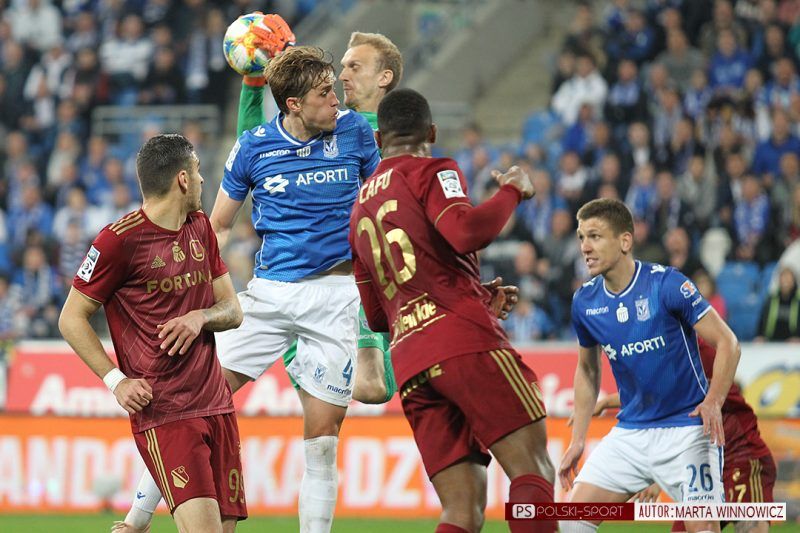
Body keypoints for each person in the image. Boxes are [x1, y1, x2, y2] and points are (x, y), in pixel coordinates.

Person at [350, 88, 555, 533]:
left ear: (379, 139)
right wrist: (511, 192)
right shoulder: (434, 169)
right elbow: (464, 233)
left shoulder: (359, 209)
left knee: (461, 511)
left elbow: (378, 317)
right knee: (533, 469)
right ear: (432, 132)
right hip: (463, 340)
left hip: (410, 362)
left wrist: (473, 291)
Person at [58, 134, 246, 533]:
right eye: (197, 171)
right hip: (165, 411)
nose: (202, 180)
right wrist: (116, 381)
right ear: (182, 179)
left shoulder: (200, 228)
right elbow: (71, 318)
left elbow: (233, 310)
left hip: (217, 404)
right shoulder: (117, 241)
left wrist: (199, 317)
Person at [559, 198, 741, 533]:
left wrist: (713, 401)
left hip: (687, 431)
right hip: (631, 432)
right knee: (570, 521)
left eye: (595, 236)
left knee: (704, 530)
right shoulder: (584, 301)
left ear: (625, 241)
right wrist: (578, 440)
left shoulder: (667, 284)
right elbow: (587, 370)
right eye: (582, 237)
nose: (585, 247)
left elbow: (728, 342)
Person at [586, 337, 776, 533]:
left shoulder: (694, 349)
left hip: (741, 456)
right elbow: (655, 395)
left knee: (750, 527)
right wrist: (605, 403)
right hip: (703, 463)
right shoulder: (666, 350)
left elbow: (662, 396)